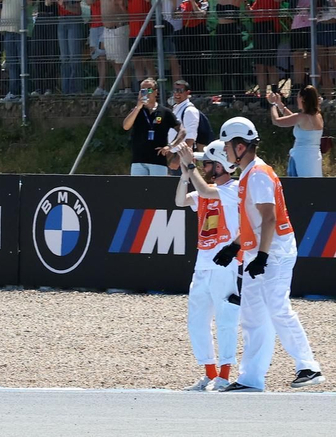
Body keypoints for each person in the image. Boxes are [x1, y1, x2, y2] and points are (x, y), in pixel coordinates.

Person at [211, 118, 324, 391]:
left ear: (240, 146)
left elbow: (269, 218)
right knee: (252, 315)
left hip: (273, 251)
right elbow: (256, 222)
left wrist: (261, 256)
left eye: (227, 146)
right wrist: (235, 246)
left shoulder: (259, 174)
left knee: (277, 307)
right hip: (258, 251)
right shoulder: (249, 174)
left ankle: (308, 366)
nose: (225, 151)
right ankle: (251, 378)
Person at [174, 139, 241, 391]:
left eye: (209, 163)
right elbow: (181, 201)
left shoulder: (233, 189)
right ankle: (209, 373)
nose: (204, 167)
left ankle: (224, 375)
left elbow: (203, 191)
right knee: (197, 321)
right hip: (202, 264)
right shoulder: (205, 189)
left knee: (225, 319)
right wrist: (184, 174)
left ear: (222, 166)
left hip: (224, 265)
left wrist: (190, 166)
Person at [122, 78, 181, 176]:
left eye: (149, 90)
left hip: (158, 161)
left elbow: (182, 131)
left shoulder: (165, 112)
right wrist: (138, 106)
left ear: (155, 92)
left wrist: (170, 146)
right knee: (137, 190)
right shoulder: (137, 111)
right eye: (143, 90)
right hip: (138, 160)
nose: (146, 93)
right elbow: (126, 126)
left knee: (157, 190)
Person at [268, 85, 324, 177]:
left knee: (298, 187)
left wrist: (273, 104)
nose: (296, 99)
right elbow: (292, 118)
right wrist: (279, 103)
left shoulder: (301, 117)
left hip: (301, 159)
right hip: (314, 159)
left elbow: (276, 121)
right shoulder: (318, 116)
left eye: (298, 97)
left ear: (302, 99)